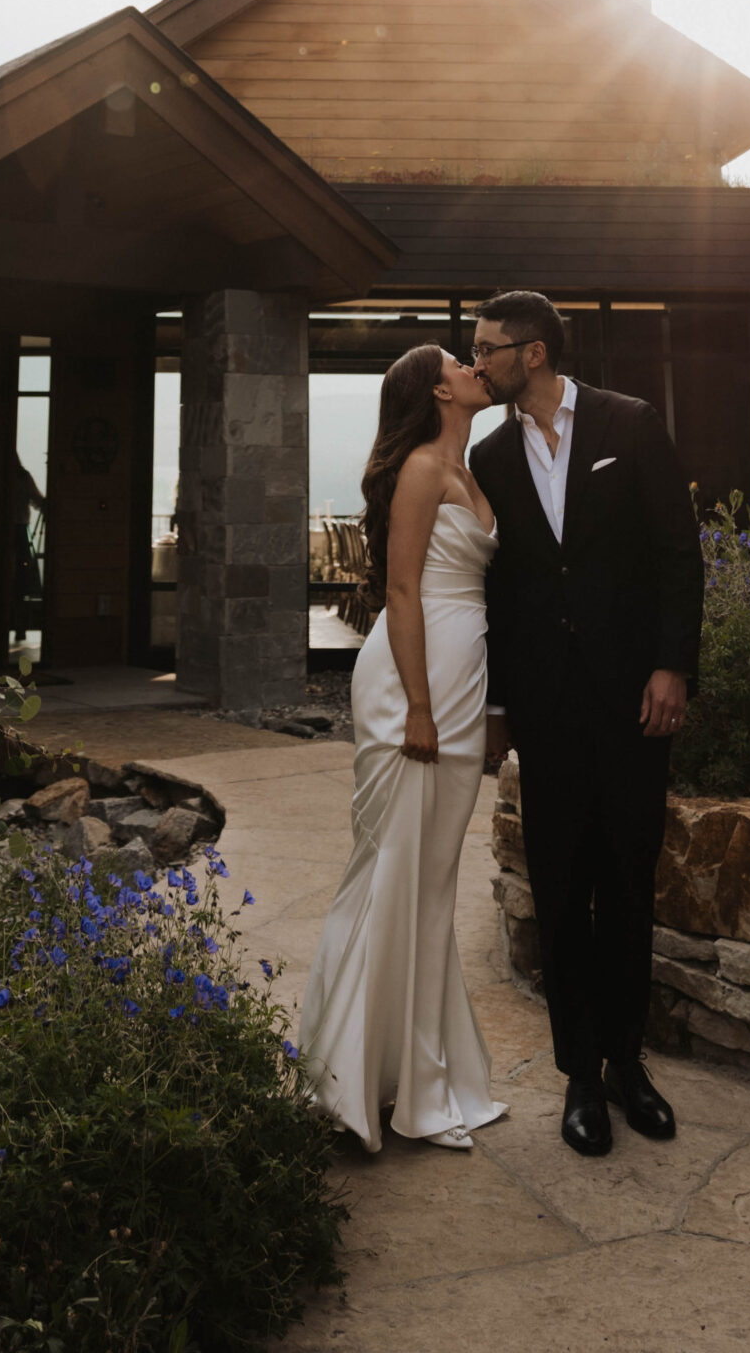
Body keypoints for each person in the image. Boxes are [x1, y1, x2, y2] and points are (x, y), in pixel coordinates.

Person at [469, 290, 702, 1160]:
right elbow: (496, 591)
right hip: (546, 708)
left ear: (532, 353)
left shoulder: (630, 423)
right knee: (562, 888)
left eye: (488, 348)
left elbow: (678, 552)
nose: (477, 359)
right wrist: (497, 706)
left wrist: (672, 666)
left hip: (636, 702)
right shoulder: (489, 456)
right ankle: (578, 1076)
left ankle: (626, 1065)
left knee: (629, 886)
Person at [298, 344, 508, 1152]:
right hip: (411, 683)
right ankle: (348, 1075)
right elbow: (399, 589)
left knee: (431, 882)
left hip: (462, 674)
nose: (473, 366)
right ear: (436, 391)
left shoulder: (473, 464)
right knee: (391, 868)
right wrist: (418, 706)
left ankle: (416, 1073)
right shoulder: (422, 467)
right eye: (460, 362)